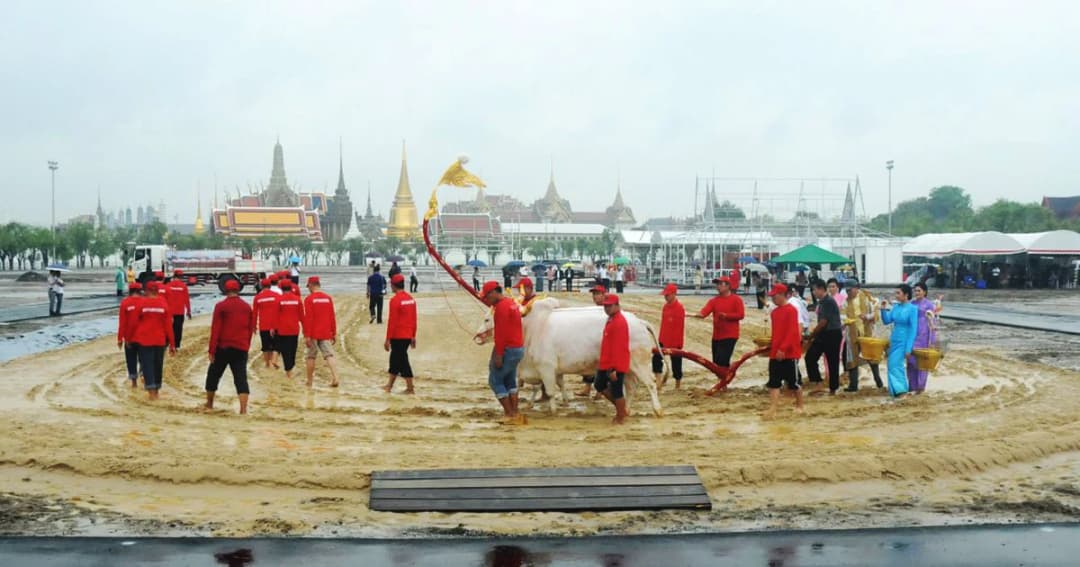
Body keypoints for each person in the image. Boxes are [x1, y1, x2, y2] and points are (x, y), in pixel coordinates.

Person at [205, 279, 255, 414]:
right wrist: (246, 345)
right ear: (238, 290)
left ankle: (209, 404)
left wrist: (212, 350)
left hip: (223, 347)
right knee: (241, 378)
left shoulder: (221, 306)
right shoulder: (246, 307)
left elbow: (216, 329)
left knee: (213, 375)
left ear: (225, 290)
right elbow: (250, 329)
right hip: (241, 347)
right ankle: (243, 409)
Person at [481, 280, 526, 425]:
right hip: (518, 347)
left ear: (494, 293)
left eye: (487, 297)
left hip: (508, 349)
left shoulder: (501, 308)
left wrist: (498, 354)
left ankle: (509, 413)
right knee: (510, 380)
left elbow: (501, 334)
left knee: (495, 380)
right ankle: (515, 412)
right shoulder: (511, 303)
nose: (487, 300)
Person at [131, 281, 175, 400]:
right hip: (160, 340)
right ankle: (156, 390)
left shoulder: (142, 303)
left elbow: (134, 322)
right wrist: (172, 344)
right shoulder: (163, 303)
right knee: (157, 365)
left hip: (144, 340)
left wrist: (130, 337)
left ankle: (151, 392)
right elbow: (168, 325)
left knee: (147, 365)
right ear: (157, 291)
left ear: (147, 291)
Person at [766, 283, 804, 418]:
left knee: (794, 382)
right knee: (774, 382)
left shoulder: (792, 310)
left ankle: (800, 405)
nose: (773, 299)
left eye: (774, 296)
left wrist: (783, 348)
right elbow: (777, 333)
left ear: (782, 295)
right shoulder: (774, 312)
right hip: (775, 353)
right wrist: (772, 346)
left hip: (789, 353)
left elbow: (792, 332)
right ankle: (773, 408)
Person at [693, 276, 744, 368]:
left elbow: (741, 315)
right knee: (716, 363)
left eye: (721, 284)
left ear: (728, 286)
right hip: (717, 336)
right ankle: (723, 379)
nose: (718, 286)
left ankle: (725, 380)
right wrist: (698, 314)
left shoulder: (736, 300)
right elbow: (704, 312)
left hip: (730, 335)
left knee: (722, 361)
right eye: (717, 284)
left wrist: (726, 316)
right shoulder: (713, 301)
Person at [842, 279, 883, 391]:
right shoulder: (845, 302)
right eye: (846, 290)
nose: (848, 292)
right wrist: (845, 321)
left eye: (850, 290)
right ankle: (853, 385)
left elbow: (876, 311)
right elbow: (842, 317)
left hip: (867, 332)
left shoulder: (867, 298)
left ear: (856, 288)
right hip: (852, 333)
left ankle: (878, 380)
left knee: (872, 356)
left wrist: (868, 317)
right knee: (852, 359)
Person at [596, 294, 631, 424]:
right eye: (605, 306)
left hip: (615, 364)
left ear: (617, 305)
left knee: (617, 391)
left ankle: (621, 416)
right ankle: (621, 409)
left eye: (610, 306)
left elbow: (619, 347)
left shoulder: (619, 322)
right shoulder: (611, 319)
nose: (607, 308)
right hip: (606, 361)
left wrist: (615, 369)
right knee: (599, 384)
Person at [805, 279, 844, 394]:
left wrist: (811, 335)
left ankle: (833, 388)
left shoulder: (828, 301)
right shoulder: (822, 301)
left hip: (832, 333)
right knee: (810, 357)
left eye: (814, 290)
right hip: (824, 333)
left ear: (821, 289)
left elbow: (823, 322)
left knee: (832, 362)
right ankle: (818, 382)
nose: (813, 292)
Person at [881, 284, 918, 398]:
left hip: (904, 340)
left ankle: (901, 391)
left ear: (906, 295)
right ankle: (896, 391)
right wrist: (883, 309)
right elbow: (887, 321)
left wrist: (908, 348)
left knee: (895, 365)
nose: (896, 295)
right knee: (891, 365)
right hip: (894, 339)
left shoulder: (913, 309)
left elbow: (913, 329)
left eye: (898, 293)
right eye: (895, 293)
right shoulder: (896, 307)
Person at [303, 276, 341, 388]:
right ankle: (335, 377)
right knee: (329, 355)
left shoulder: (309, 299)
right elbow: (331, 316)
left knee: (311, 356)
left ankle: (309, 381)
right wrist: (333, 332)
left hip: (313, 332)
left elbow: (308, 318)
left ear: (311, 285)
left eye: (308, 286)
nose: (308, 289)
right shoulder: (328, 298)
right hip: (325, 331)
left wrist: (307, 335)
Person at [384, 273, 418, 394]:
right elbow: (414, 319)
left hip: (398, 335)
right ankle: (389, 385)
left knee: (401, 360)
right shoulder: (411, 299)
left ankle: (410, 388)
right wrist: (413, 335)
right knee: (396, 359)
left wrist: (387, 339)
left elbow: (392, 321)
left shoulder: (395, 300)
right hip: (408, 335)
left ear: (393, 285)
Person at [908, 282, 943, 394]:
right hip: (912, 335)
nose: (917, 293)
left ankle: (920, 387)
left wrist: (932, 339)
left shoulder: (929, 305)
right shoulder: (911, 304)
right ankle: (911, 386)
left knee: (922, 361)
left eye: (919, 291)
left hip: (924, 335)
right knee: (911, 361)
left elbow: (934, 321)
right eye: (915, 291)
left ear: (925, 292)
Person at [575, 284, 609, 397]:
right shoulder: (593, 309)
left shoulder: (608, 308)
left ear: (604, 295)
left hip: (603, 341)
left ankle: (600, 391)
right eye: (594, 294)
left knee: (601, 367)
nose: (594, 297)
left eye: (597, 294)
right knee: (589, 365)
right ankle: (587, 388)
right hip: (592, 341)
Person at [653, 283, 685, 389]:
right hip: (663, 339)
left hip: (675, 341)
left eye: (667, 295)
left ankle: (678, 384)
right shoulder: (665, 307)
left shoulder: (679, 308)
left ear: (674, 294)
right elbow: (663, 324)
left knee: (676, 363)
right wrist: (660, 340)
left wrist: (676, 344)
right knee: (656, 359)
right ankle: (658, 381)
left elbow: (679, 328)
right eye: (665, 295)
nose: (665, 297)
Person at [275, 279, 305, 380]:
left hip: (282, 329)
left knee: (284, 351)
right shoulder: (297, 300)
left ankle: (288, 371)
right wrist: (305, 331)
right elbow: (302, 317)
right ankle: (290, 370)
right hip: (294, 329)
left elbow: (275, 315)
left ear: (281, 288)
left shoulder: (278, 299)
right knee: (292, 350)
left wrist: (272, 327)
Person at [117, 282, 143, 387]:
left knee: (131, 359)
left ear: (130, 291)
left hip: (129, 338)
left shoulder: (125, 303)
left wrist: (120, 339)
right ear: (140, 291)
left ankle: (134, 382)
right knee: (144, 358)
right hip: (143, 338)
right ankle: (143, 374)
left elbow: (122, 323)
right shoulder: (145, 302)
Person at [252, 278, 281, 369]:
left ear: (261, 286)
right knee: (275, 344)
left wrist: (253, 326)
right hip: (275, 324)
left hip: (263, 325)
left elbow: (255, 313)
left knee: (265, 346)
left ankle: (267, 364)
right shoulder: (276, 296)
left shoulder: (257, 297)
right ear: (270, 286)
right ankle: (273, 361)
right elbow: (280, 311)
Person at [165, 270, 192, 350]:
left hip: (170, 311)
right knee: (178, 329)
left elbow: (165, 298)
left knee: (169, 328)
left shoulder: (168, 285)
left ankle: (167, 344)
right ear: (181, 277)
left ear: (174, 276)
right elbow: (186, 299)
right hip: (179, 311)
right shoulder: (183, 286)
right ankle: (177, 346)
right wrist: (188, 311)